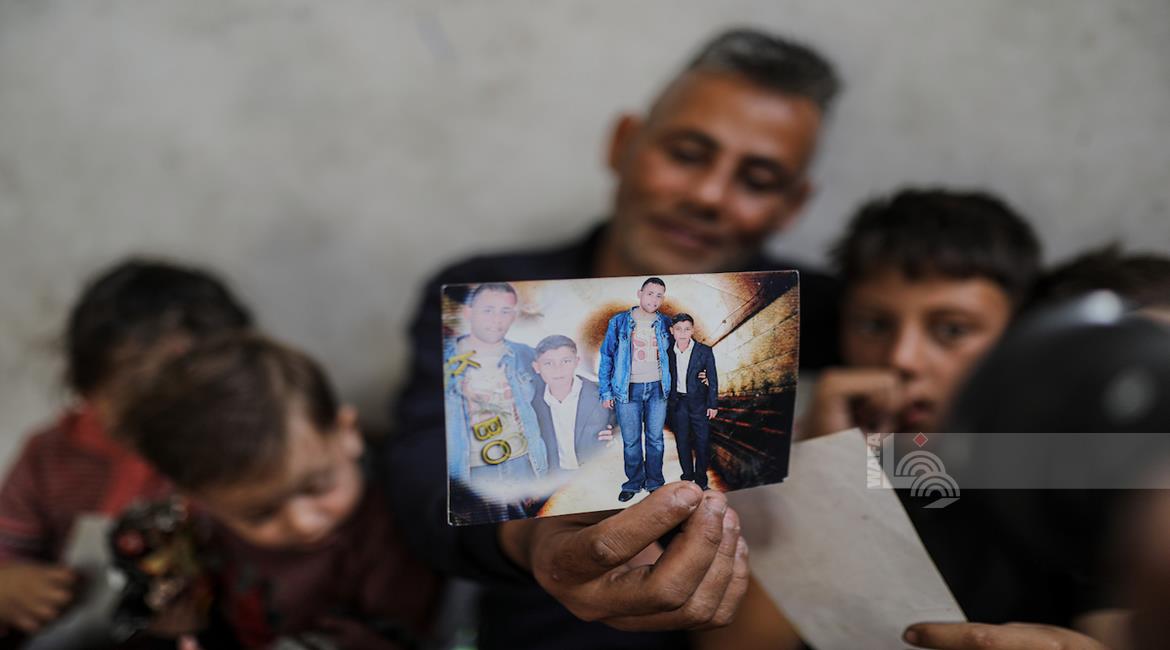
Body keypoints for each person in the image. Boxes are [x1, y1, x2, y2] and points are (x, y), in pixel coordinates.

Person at [388, 27, 841, 650]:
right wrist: (532, 538)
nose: (709, 195)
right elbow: (422, 475)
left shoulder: (836, 319)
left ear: (793, 205)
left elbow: (958, 450)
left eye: (757, 180)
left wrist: (856, 460)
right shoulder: (491, 297)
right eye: (688, 154)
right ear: (624, 143)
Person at [118, 334, 438, 649]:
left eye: (317, 487)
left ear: (347, 433)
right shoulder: (198, 522)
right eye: (260, 515)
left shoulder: (392, 535)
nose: (303, 523)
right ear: (201, 502)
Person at [0, 258, 253, 639]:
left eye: (183, 396)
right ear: (87, 386)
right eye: (133, 397)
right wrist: (9, 588)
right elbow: (9, 551)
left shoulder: (237, 459)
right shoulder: (50, 457)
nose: (157, 419)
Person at [444, 282, 548, 524]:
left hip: (525, 466)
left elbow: (558, 390)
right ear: (469, 313)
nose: (497, 319)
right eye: (488, 310)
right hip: (473, 472)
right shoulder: (444, 357)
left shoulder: (525, 354)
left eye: (505, 311)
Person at [599, 277, 674, 502]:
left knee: (655, 439)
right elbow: (607, 356)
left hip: (658, 389)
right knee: (631, 441)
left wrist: (700, 372)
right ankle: (633, 483)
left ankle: (655, 482)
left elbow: (681, 351)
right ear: (639, 293)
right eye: (650, 293)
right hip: (627, 389)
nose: (654, 299)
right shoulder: (619, 322)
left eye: (659, 295)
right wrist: (606, 391)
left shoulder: (666, 323)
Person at [529, 335, 614, 474]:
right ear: (537, 367)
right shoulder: (532, 403)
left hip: (596, 474)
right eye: (548, 363)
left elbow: (630, 425)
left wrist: (617, 436)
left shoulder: (604, 394)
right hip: (555, 478)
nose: (558, 369)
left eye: (565, 361)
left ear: (576, 362)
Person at [667, 313, 719, 489]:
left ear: (692, 331)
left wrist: (713, 404)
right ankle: (687, 476)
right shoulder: (668, 352)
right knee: (682, 442)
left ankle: (701, 481)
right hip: (678, 403)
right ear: (672, 331)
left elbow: (713, 378)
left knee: (702, 442)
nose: (683, 333)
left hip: (699, 403)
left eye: (687, 329)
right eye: (678, 329)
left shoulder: (704, 351)